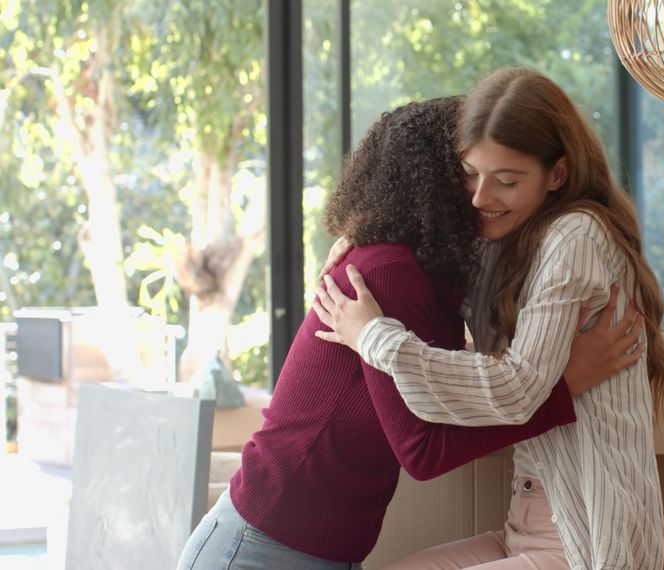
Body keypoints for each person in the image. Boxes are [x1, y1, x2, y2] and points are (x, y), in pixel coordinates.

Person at [176, 97, 635, 570]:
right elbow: (423, 446)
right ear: (435, 180)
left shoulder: (433, 274)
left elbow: (445, 379)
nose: (481, 192)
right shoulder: (388, 271)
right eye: (469, 171)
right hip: (262, 547)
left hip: (313, 548)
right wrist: (564, 388)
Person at [315, 66, 664, 570]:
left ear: (558, 173)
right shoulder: (503, 241)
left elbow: (517, 389)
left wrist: (374, 337)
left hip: (584, 539)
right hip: (525, 525)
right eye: (469, 174)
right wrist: (367, 235)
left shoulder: (576, 235)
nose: (482, 197)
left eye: (506, 180)